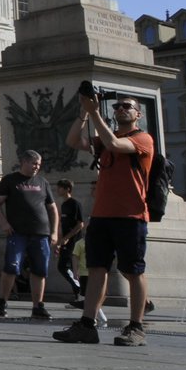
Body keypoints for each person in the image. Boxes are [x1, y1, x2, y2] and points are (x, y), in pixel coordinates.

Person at [55, 90, 153, 347]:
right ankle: (87, 325)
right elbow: (73, 140)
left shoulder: (143, 139)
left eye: (127, 107)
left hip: (131, 215)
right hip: (101, 215)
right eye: (118, 106)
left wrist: (95, 112)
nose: (121, 109)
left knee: (133, 270)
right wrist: (84, 112)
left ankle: (136, 327)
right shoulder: (104, 139)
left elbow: (115, 145)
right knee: (96, 269)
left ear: (138, 115)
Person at [0, 150, 58, 321]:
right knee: (11, 267)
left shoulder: (42, 182)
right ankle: (3, 302)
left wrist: (55, 231)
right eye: (34, 163)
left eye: (39, 165)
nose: (37, 167)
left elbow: (52, 208)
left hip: (41, 233)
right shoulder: (10, 180)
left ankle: (38, 306)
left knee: (40, 270)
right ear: (24, 162)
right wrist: (4, 223)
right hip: (18, 233)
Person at [54, 178, 88, 303]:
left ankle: (79, 291)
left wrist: (67, 238)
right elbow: (63, 224)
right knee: (64, 267)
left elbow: (80, 224)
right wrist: (60, 240)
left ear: (67, 188)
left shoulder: (75, 204)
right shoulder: (64, 204)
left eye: (60, 187)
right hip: (65, 241)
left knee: (64, 266)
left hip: (74, 241)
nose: (57, 190)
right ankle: (78, 294)